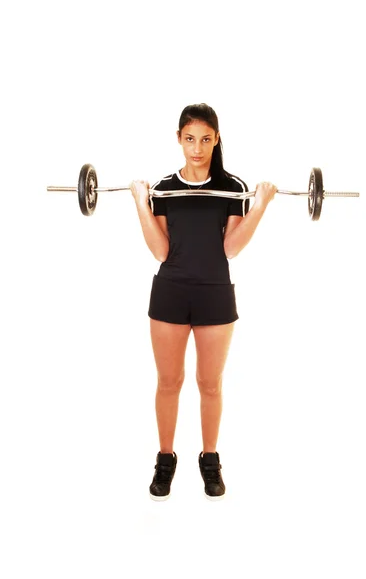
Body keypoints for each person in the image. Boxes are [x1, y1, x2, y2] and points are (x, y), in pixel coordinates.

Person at [130, 103, 277, 501]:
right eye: (190, 139)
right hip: (170, 292)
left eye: (206, 139)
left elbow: (229, 248)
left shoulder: (231, 187)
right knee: (169, 382)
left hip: (214, 293)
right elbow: (161, 251)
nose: (198, 148)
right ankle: (165, 460)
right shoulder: (163, 188)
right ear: (178, 139)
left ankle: (210, 461)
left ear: (217, 140)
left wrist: (259, 207)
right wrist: (141, 204)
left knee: (209, 384)